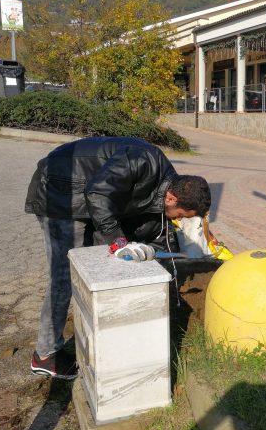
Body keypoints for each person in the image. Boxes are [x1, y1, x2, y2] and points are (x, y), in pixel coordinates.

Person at [25, 136, 211, 379]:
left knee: (104, 265)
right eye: (181, 215)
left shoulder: (169, 186)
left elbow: (152, 228)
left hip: (87, 198)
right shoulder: (143, 161)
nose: (178, 220)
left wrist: (150, 251)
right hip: (62, 189)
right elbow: (97, 194)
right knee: (64, 277)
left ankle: (102, 334)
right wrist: (119, 242)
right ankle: (45, 355)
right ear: (172, 199)